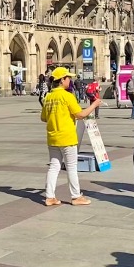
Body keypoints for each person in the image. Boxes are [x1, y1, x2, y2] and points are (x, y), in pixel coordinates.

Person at [41, 67, 101, 206]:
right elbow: (80, 114)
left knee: (54, 166)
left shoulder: (48, 97)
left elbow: (43, 117)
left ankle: (50, 197)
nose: (70, 80)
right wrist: (94, 104)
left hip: (53, 137)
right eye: (68, 78)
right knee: (71, 167)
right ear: (62, 80)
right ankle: (76, 196)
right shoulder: (67, 96)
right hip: (67, 137)